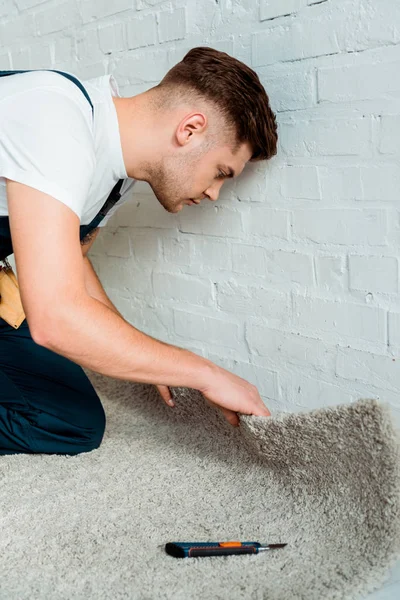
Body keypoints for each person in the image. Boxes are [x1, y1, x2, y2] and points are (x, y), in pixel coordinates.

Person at [0, 46, 278, 456]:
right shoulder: (55, 117)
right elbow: (54, 318)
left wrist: (139, 354)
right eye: (221, 172)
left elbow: (71, 259)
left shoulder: (118, 174)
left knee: (69, 422)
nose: (215, 194)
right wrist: (202, 373)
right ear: (190, 129)